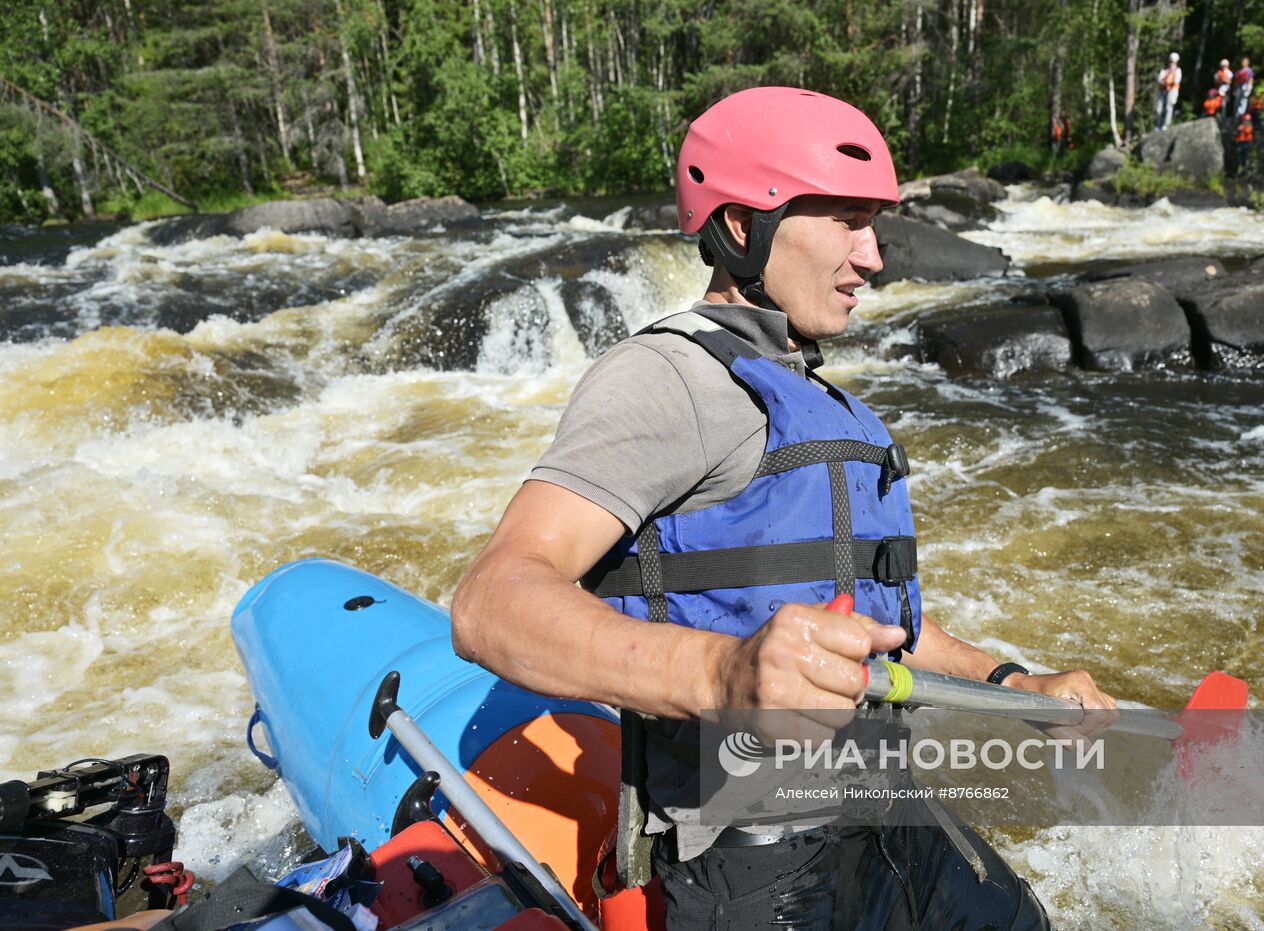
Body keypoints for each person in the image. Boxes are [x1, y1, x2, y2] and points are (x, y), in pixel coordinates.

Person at [451, 85, 1117, 929]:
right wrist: (720, 674)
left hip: (888, 809)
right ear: (741, 226)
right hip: (754, 851)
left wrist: (1016, 682)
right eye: (848, 222)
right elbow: (491, 602)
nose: (873, 258)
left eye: (873, 225)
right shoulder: (665, 380)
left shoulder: (828, 405)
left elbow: (884, 629)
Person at [1155, 51, 1183, 131]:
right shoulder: (1164, 70)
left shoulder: (1178, 71)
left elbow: (1177, 81)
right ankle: (1158, 125)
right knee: (1159, 109)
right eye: (1171, 61)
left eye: (1174, 62)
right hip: (1162, 91)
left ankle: (1166, 125)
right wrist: (1166, 79)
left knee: (1169, 107)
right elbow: (1159, 80)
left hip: (1172, 90)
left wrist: (1172, 74)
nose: (1172, 63)